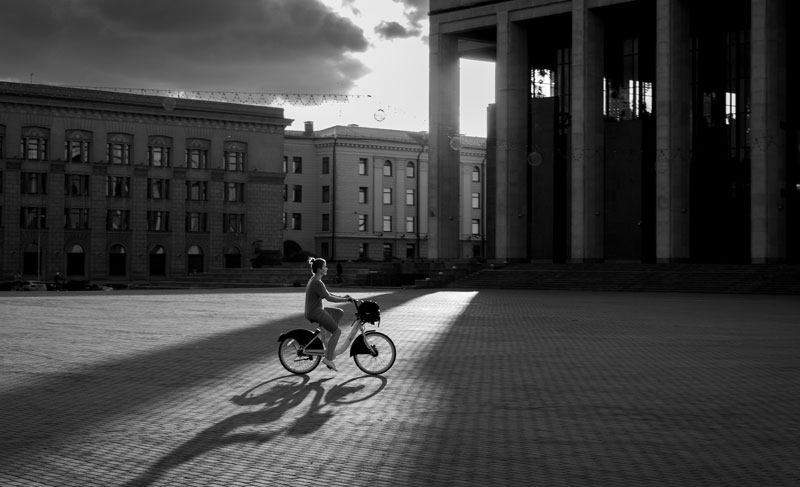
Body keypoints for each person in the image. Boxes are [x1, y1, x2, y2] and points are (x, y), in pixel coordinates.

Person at [305, 257, 352, 371]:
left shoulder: (316, 280)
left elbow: (327, 293)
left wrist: (343, 297)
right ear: (320, 269)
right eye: (325, 266)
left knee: (339, 312)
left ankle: (326, 336)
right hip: (315, 312)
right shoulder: (317, 282)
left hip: (316, 309)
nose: (327, 268)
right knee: (337, 331)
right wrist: (346, 300)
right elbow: (329, 298)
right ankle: (328, 359)